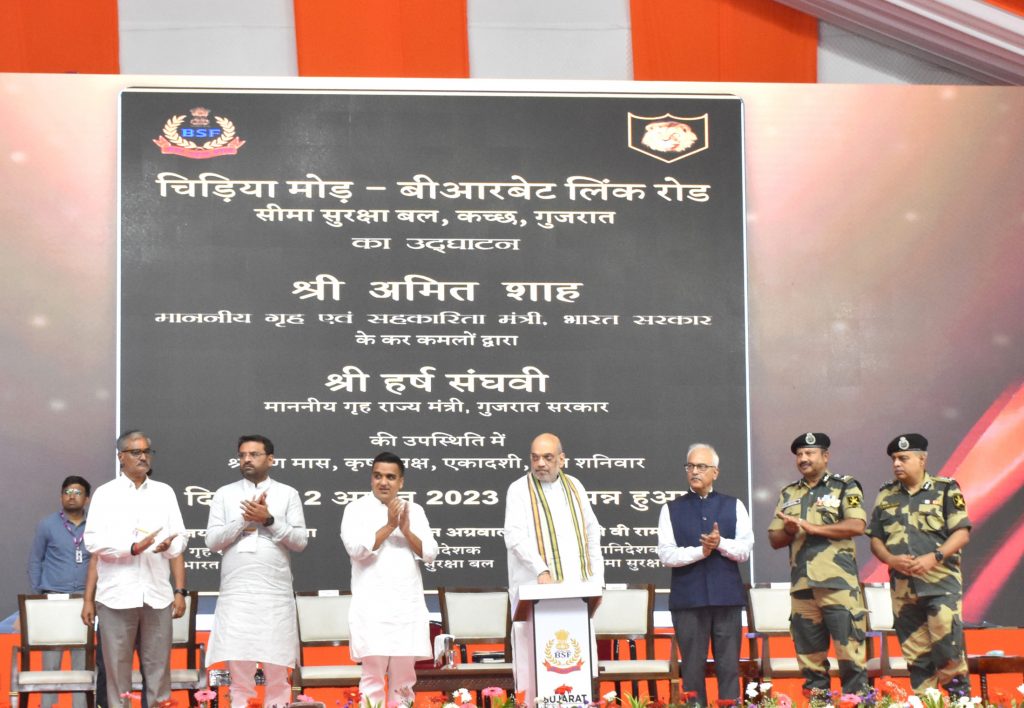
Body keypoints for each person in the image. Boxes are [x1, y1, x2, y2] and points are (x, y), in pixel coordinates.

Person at [83, 430, 187, 708]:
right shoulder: (105, 494)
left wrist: (170, 545)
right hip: (116, 596)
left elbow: (181, 536)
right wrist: (131, 548)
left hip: (156, 595)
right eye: (136, 452)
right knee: (117, 673)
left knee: (159, 671)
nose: (143, 457)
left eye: (147, 451)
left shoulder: (164, 492)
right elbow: (92, 541)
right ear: (121, 457)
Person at [205, 434, 308, 708]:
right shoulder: (225, 494)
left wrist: (269, 519)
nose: (247, 459)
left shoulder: (287, 494)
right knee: (239, 677)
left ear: (270, 459)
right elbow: (212, 541)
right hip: (237, 594)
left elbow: (300, 541)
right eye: (242, 455)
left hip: (274, 595)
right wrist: (244, 519)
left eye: (254, 454)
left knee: (277, 673)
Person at [867, 433, 972, 695]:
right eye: (894, 459)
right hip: (904, 591)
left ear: (922, 460)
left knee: (948, 651)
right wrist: (890, 559)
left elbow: (961, 533)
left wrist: (935, 556)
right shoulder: (886, 494)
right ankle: (926, 701)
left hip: (940, 586)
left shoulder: (945, 489)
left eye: (903, 458)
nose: (896, 464)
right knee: (916, 658)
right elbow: (875, 538)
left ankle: (960, 700)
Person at [767, 432, 868, 696]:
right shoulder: (789, 493)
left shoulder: (845, 486)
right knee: (811, 665)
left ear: (825, 456)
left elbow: (857, 525)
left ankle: (856, 702)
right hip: (803, 588)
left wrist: (813, 528)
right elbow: (775, 539)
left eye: (809, 453)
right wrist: (789, 530)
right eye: (799, 454)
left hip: (838, 585)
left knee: (851, 659)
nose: (803, 458)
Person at [503, 433, 604, 687]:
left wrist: (597, 581)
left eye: (548, 457)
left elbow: (592, 532)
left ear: (562, 459)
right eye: (535, 457)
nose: (540, 463)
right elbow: (514, 537)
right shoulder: (519, 490)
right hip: (534, 590)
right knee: (535, 670)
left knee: (576, 662)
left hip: (576, 591)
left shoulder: (575, 487)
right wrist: (541, 569)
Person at [657, 444, 753, 706]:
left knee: (729, 666)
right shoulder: (671, 508)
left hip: (726, 599)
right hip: (688, 601)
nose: (694, 471)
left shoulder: (734, 505)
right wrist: (702, 551)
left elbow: (744, 550)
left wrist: (720, 543)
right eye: (690, 466)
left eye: (701, 466)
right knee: (691, 669)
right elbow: (666, 555)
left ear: (715, 472)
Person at [341, 451, 438, 707]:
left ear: (401, 482)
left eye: (390, 477)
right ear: (371, 478)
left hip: (406, 608)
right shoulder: (355, 509)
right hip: (371, 610)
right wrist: (389, 526)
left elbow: (430, 553)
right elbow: (356, 550)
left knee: (404, 681)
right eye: (378, 476)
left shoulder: (414, 510)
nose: (383, 482)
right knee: (372, 678)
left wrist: (405, 530)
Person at [28, 475, 93, 708]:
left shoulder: (95, 525)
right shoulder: (47, 525)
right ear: (61, 496)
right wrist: (40, 593)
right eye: (67, 492)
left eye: (77, 492)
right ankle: (47, 705)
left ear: (87, 498)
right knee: (51, 658)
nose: (71, 496)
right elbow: (35, 560)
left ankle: (80, 705)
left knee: (82, 659)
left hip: (85, 599)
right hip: (53, 598)